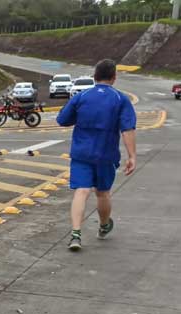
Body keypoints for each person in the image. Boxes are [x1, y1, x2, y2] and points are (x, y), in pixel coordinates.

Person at [56, 59, 137, 251]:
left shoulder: (81, 96)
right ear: (114, 78)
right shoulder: (121, 99)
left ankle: (75, 234)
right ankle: (103, 226)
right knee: (102, 193)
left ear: (94, 77)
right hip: (106, 154)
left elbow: (62, 120)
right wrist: (132, 155)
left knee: (81, 191)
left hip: (81, 153)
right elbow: (127, 129)